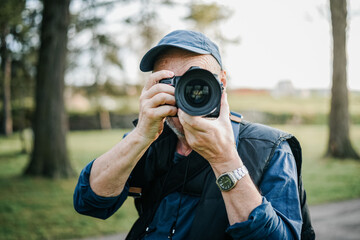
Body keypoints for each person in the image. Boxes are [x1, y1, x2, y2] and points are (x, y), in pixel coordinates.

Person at [74, 30, 315, 240]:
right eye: (171, 81)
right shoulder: (148, 139)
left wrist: (224, 159)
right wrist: (140, 137)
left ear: (221, 82)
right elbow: (88, 202)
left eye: (196, 78)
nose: (185, 92)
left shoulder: (269, 148)